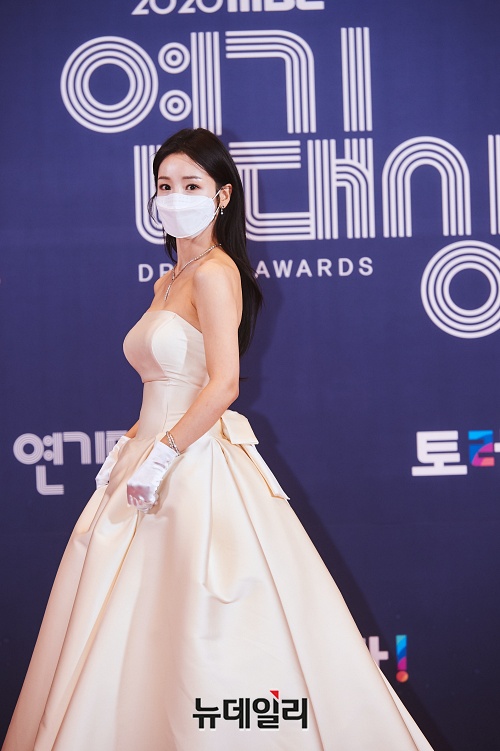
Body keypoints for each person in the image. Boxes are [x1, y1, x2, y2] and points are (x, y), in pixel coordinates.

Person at [2, 128, 435, 751]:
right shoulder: (167, 279)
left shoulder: (215, 272)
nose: (175, 197)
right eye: (165, 185)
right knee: (130, 626)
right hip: (146, 461)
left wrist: (162, 455)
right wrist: (127, 448)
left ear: (222, 195)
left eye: (191, 185)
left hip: (191, 465)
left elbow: (223, 384)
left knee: (201, 618)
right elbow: (165, 382)